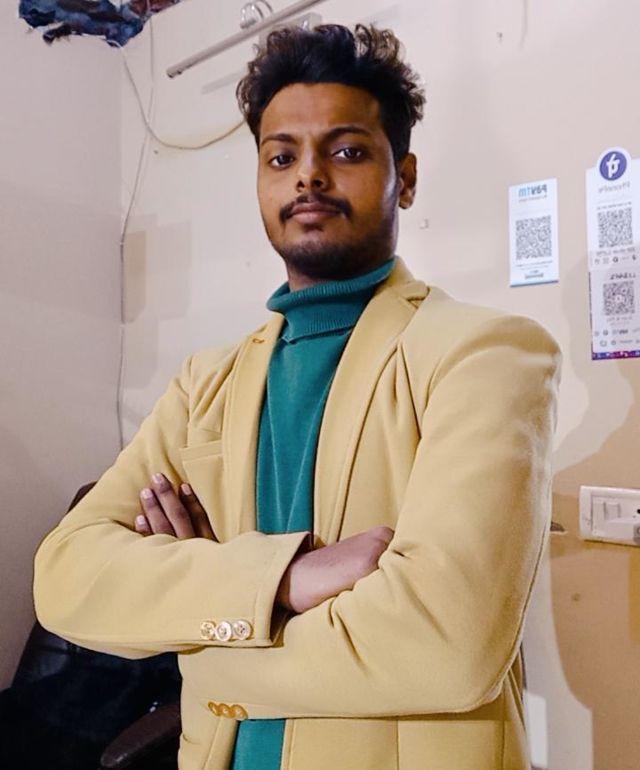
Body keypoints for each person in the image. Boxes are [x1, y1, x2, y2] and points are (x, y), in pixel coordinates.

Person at [34, 23, 561, 770]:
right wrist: (283, 577)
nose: (308, 176)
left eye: (346, 152)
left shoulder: (485, 354)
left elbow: (447, 644)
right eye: (281, 157)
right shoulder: (204, 384)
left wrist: (204, 653)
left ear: (405, 177)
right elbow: (65, 577)